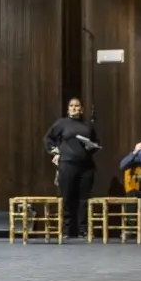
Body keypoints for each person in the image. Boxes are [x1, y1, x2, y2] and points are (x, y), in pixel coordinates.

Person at [44, 98, 100, 238]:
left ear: (81, 109)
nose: (74, 108)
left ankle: (83, 229)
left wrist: (92, 147)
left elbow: (96, 142)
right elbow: (48, 139)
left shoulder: (87, 125)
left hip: (86, 165)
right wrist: (54, 152)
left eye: (77, 106)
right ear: (68, 108)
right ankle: (67, 230)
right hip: (67, 163)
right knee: (67, 197)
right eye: (71, 106)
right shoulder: (62, 123)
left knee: (84, 199)